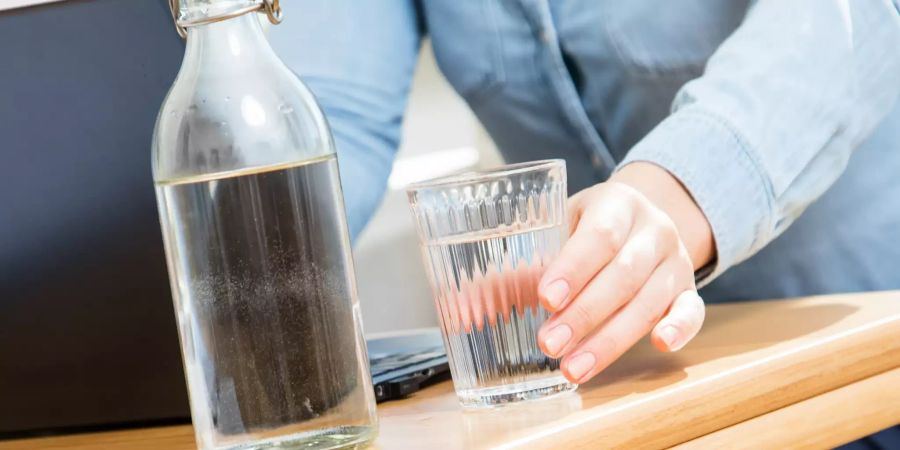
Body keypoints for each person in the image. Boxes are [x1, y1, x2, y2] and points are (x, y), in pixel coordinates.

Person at [270, 2, 900, 446]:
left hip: (864, 350)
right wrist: (243, 279)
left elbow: (846, 19)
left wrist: (674, 194)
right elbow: (331, 115)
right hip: (628, 400)